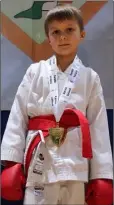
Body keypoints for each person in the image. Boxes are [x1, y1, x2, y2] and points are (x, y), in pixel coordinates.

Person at [1, 5, 113, 205]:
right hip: (39, 162)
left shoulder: (90, 77)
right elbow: (18, 117)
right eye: (56, 32)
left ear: (82, 34)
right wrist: (12, 161)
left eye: (70, 30)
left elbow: (98, 127)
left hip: (76, 165)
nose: (63, 37)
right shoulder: (35, 72)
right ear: (48, 38)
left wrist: (101, 175)